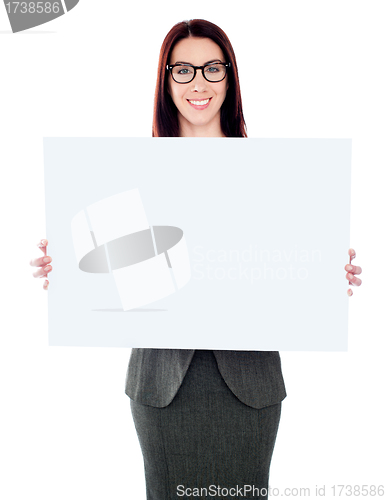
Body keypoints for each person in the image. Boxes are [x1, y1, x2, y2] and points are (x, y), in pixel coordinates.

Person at [30, 19, 363, 500]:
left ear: (230, 77)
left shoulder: (279, 174)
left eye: (212, 67)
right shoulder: (127, 174)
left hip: (250, 386)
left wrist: (326, 272)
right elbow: (109, 267)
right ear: (166, 82)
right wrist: (65, 268)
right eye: (182, 70)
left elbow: (285, 265)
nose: (199, 83)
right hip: (163, 385)